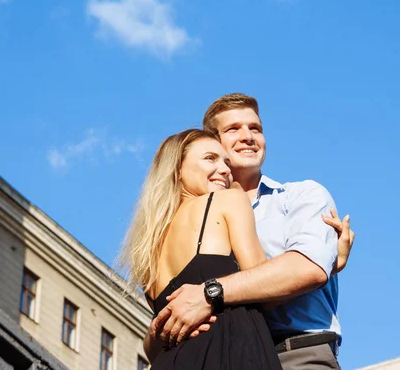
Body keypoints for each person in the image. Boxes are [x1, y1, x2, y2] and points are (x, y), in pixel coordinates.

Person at [148, 93, 354, 369]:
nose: (247, 136)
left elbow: (308, 268)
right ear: (212, 141)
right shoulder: (195, 217)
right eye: (233, 129)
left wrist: (210, 293)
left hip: (297, 353)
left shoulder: (301, 195)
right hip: (224, 352)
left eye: (255, 128)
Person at [117, 128, 284, 369]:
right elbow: (264, 285)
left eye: (227, 162)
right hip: (230, 353)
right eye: (210, 158)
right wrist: (331, 264)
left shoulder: (147, 251)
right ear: (178, 169)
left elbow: (155, 345)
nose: (226, 170)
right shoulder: (229, 200)